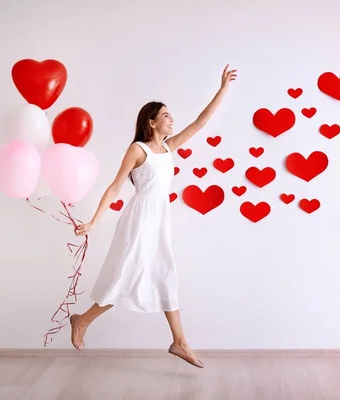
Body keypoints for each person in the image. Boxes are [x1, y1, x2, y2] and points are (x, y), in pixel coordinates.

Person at [71, 65, 238, 368]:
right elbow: (114, 186)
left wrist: (223, 89)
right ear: (151, 122)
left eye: (171, 115)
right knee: (127, 275)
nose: (171, 119)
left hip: (159, 217)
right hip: (140, 218)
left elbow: (200, 123)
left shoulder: (169, 147)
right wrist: (94, 222)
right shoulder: (138, 150)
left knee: (164, 272)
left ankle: (179, 341)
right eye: (165, 115)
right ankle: (82, 320)